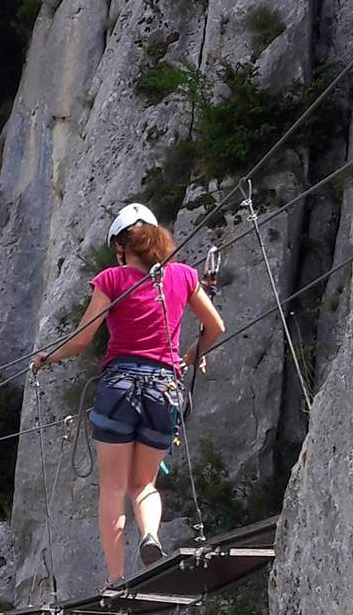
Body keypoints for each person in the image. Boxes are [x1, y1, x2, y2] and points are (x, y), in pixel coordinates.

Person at [31, 203, 224, 586]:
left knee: (114, 488)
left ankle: (117, 579)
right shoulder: (184, 276)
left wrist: (48, 357)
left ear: (121, 247)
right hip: (163, 390)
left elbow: (84, 338)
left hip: (119, 388)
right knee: (144, 484)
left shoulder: (113, 280)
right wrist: (188, 357)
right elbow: (214, 327)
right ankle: (151, 535)